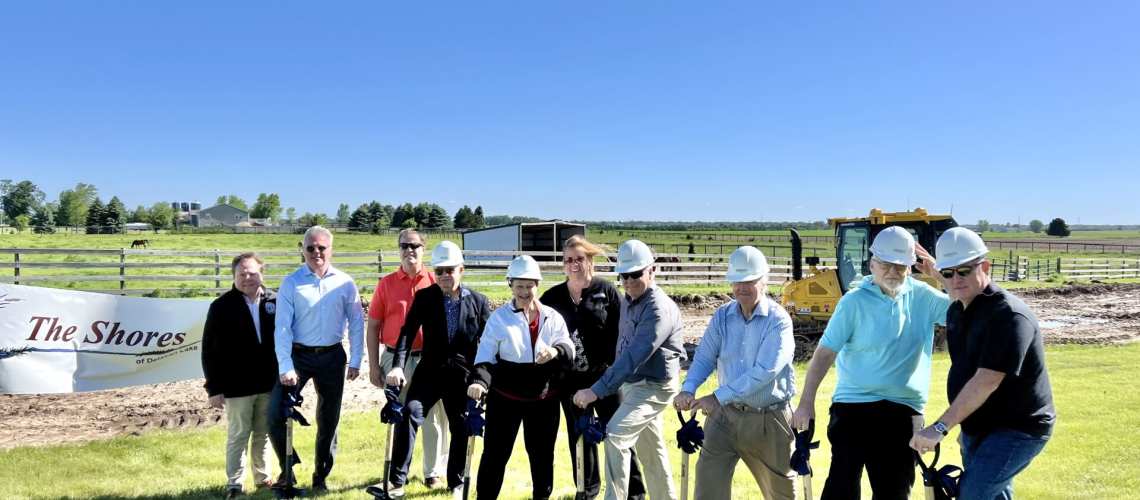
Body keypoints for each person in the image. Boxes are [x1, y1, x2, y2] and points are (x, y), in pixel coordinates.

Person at [790, 226, 949, 500]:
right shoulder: (853, 302)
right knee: (841, 489)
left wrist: (939, 275)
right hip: (854, 407)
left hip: (904, 410)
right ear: (872, 265)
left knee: (895, 493)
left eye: (900, 266)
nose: (892, 272)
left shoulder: (924, 296)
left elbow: (971, 310)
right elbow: (825, 353)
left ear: (911, 268)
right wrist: (806, 403)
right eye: (886, 265)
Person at [909, 228, 1055, 499]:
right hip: (978, 428)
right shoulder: (959, 309)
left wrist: (941, 427)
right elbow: (959, 292)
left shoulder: (1009, 316)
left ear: (985, 266)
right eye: (948, 272)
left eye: (964, 270)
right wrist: (967, 426)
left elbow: (986, 380)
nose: (955, 279)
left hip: (1018, 428)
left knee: (973, 494)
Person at [674, 246, 797, 500]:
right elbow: (705, 357)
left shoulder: (778, 321)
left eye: (749, 281)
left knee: (781, 494)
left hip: (769, 419)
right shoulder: (722, 316)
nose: (742, 288)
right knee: (708, 489)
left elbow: (764, 372)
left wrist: (717, 397)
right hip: (724, 418)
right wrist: (688, 388)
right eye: (737, 282)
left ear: (764, 281)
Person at [573, 239, 686, 500]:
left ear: (651, 271)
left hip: (654, 386)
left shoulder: (658, 309)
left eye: (636, 274)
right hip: (634, 384)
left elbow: (634, 356)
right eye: (624, 275)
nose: (630, 280)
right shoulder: (628, 301)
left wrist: (596, 390)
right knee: (652, 452)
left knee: (615, 437)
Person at [379, 241, 491, 499]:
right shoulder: (425, 297)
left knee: (461, 425)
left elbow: (489, 344)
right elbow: (407, 333)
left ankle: (456, 482)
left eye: (449, 270)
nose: (443, 276)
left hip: (462, 376)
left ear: (460, 270)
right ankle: (396, 482)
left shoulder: (479, 302)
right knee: (409, 412)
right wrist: (397, 365)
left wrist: (482, 379)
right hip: (429, 372)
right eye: (439, 271)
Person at [540, 235, 646, 500]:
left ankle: (633, 493)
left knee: (618, 435)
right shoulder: (552, 297)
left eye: (579, 258)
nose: (574, 264)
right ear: (562, 264)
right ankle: (586, 492)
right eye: (568, 260)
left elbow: (625, 332)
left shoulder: (607, 291)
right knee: (580, 437)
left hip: (607, 376)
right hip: (570, 379)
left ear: (589, 260)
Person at [469, 255, 575, 500]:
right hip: (505, 400)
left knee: (542, 456)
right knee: (495, 455)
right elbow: (484, 357)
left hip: (544, 401)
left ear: (538, 285)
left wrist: (555, 351)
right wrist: (479, 381)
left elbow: (569, 349)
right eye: (519, 286)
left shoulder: (552, 317)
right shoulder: (499, 319)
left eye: (530, 285)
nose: (525, 291)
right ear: (510, 285)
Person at [268, 226, 365, 492]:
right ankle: (288, 470)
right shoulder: (291, 282)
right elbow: (283, 328)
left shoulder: (345, 282)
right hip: (299, 357)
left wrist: (357, 359)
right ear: (303, 249)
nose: (316, 252)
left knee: (328, 420)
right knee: (275, 414)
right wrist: (285, 366)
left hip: (333, 356)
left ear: (331, 250)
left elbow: (356, 322)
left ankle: (320, 476)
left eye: (321, 247)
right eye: (310, 248)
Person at [365, 229, 449, 490]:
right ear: (398, 249)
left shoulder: (437, 282)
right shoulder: (386, 284)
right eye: (404, 245)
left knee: (432, 418)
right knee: (400, 416)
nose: (409, 250)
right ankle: (397, 474)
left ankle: (432, 471)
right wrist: (374, 365)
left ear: (424, 249)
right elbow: (373, 326)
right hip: (394, 361)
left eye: (415, 245)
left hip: (429, 359)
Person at [201, 251, 278, 499]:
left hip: (269, 383)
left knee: (263, 433)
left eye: (252, 273)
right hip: (236, 385)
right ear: (233, 276)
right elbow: (209, 351)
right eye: (241, 274)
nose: (247, 278)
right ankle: (235, 484)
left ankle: (263, 479)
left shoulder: (276, 302)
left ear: (261, 274)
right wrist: (213, 388)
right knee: (238, 435)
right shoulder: (221, 307)